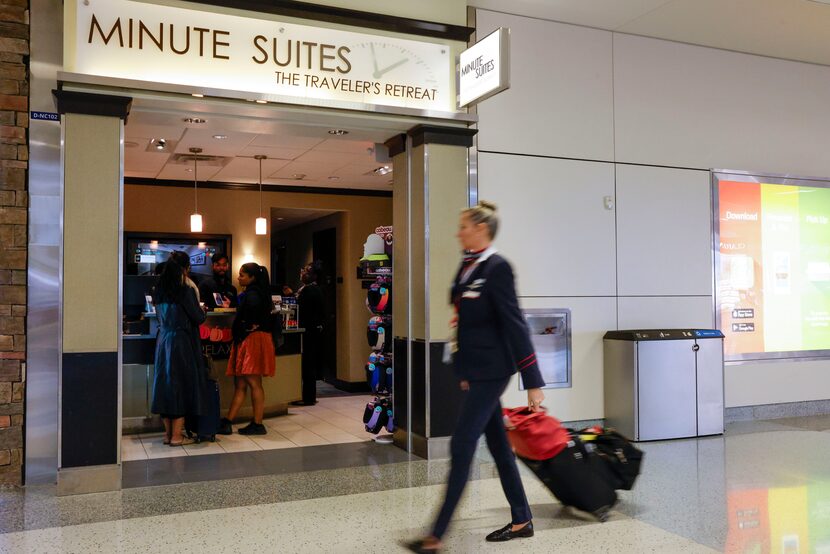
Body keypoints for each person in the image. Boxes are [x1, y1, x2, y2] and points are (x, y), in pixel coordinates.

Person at [405, 201, 546, 553]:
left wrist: (533, 381)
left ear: (481, 229)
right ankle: (522, 518)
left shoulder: (498, 268)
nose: (458, 232)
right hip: (477, 370)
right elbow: (464, 320)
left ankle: (435, 535)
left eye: (464, 226)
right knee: (499, 446)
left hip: (494, 371)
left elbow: (515, 324)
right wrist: (464, 369)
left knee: (461, 444)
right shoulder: (469, 265)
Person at [150, 258, 208, 447]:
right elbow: (197, 317)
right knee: (180, 385)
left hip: (163, 340)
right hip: (181, 341)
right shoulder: (185, 291)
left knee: (165, 384)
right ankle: (177, 436)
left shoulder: (157, 291)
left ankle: (167, 435)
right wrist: (203, 310)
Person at [219, 262, 276, 435]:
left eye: (242, 275)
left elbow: (251, 316)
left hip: (252, 341)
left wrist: (247, 327)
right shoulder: (259, 293)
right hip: (254, 340)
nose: (238, 278)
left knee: (253, 382)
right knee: (242, 383)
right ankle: (229, 421)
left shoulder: (253, 294)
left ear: (252, 277)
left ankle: (258, 423)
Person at [293, 262, 325, 406]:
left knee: (308, 364)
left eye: (306, 271)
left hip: (309, 332)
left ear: (314, 275)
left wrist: (291, 297)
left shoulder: (310, 291)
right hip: (312, 331)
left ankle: (308, 397)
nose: (302, 272)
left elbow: (302, 310)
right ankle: (307, 396)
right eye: (303, 269)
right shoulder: (310, 289)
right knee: (308, 363)